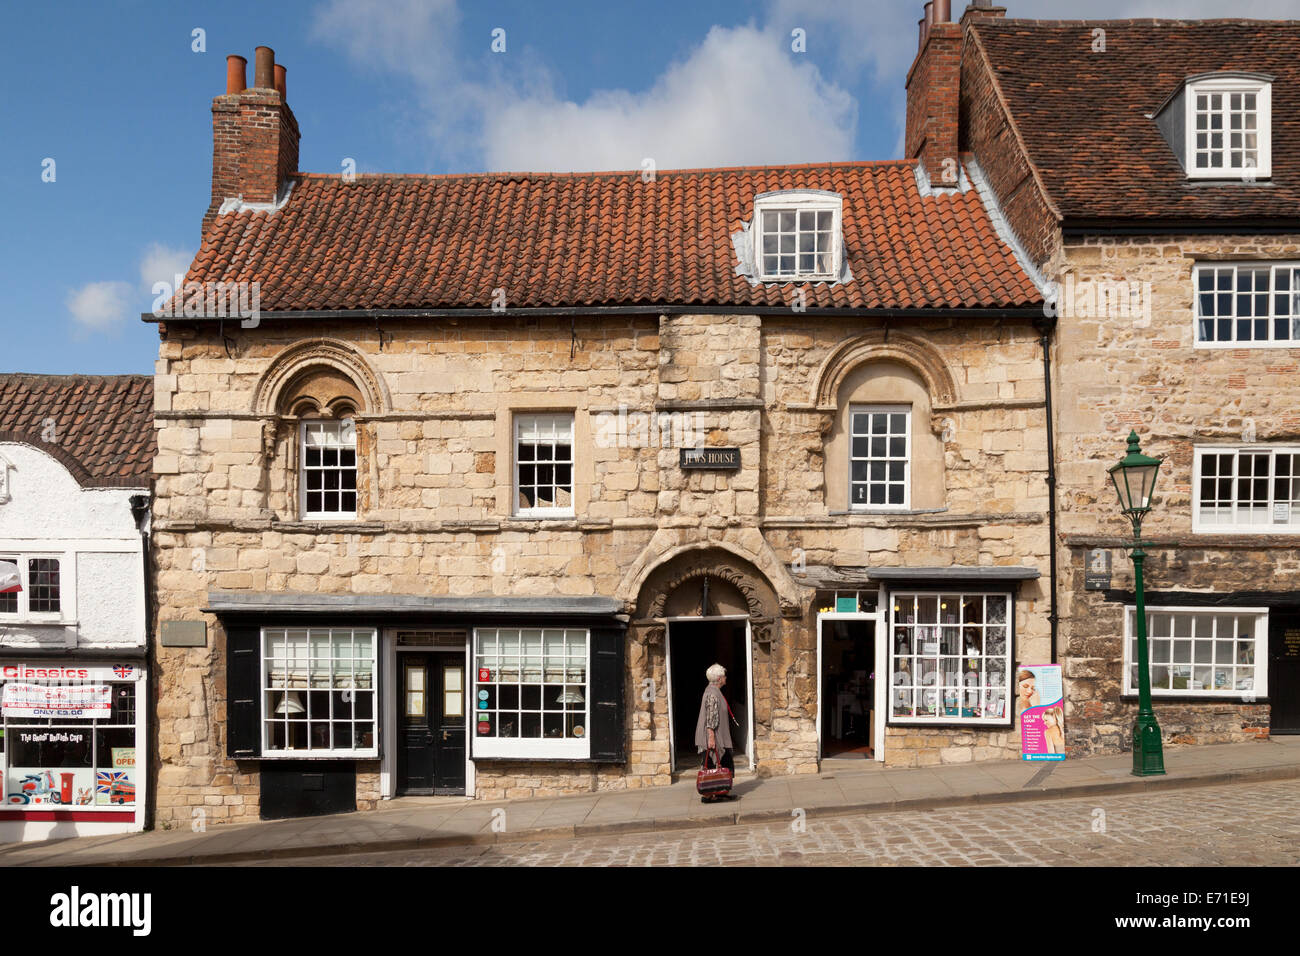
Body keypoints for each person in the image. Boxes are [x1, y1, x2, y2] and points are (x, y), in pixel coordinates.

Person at [695, 662, 735, 802]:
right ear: (719, 679)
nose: (725, 678)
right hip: (714, 736)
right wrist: (711, 738)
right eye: (724, 676)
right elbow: (710, 718)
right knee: (713, 764)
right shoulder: (712, 694)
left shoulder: (714, 691)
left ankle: (720, 791)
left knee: (723, 763)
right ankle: (708, 793)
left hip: (718, 736)